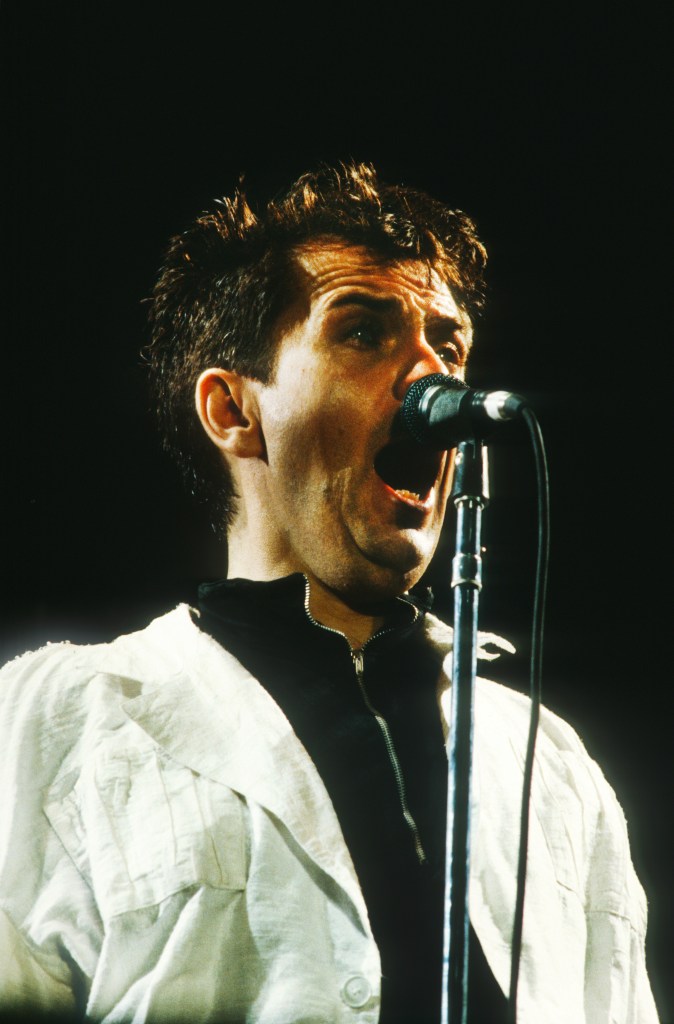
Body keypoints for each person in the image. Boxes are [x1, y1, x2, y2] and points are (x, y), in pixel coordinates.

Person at [0, 161, 659, 1024]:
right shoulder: (55, 719)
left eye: (449, 346)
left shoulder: (551, 763)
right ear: (232, 411)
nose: (436, 382)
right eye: (363, 333)